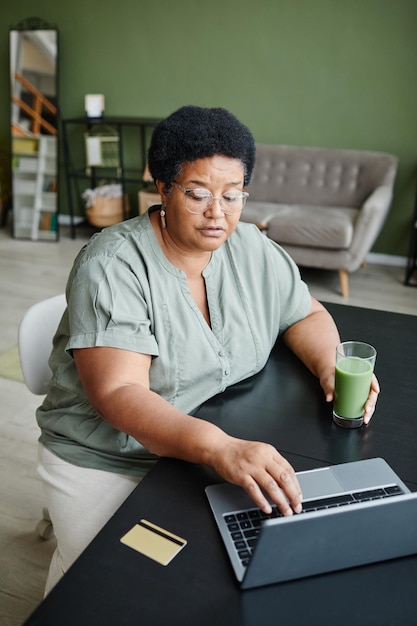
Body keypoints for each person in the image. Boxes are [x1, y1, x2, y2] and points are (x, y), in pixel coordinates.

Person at [36, 105, 379, 593]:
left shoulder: (251, 248)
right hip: (107, 458)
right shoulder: (113, 266)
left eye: (234, 195)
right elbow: (118, 393)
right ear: (162, 188)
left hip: (203, 442)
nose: (218, 213)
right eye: (198, 194)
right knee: (121, 586)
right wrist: (220, 448)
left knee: (249, 565)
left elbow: (304, 312)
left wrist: (330, 365)